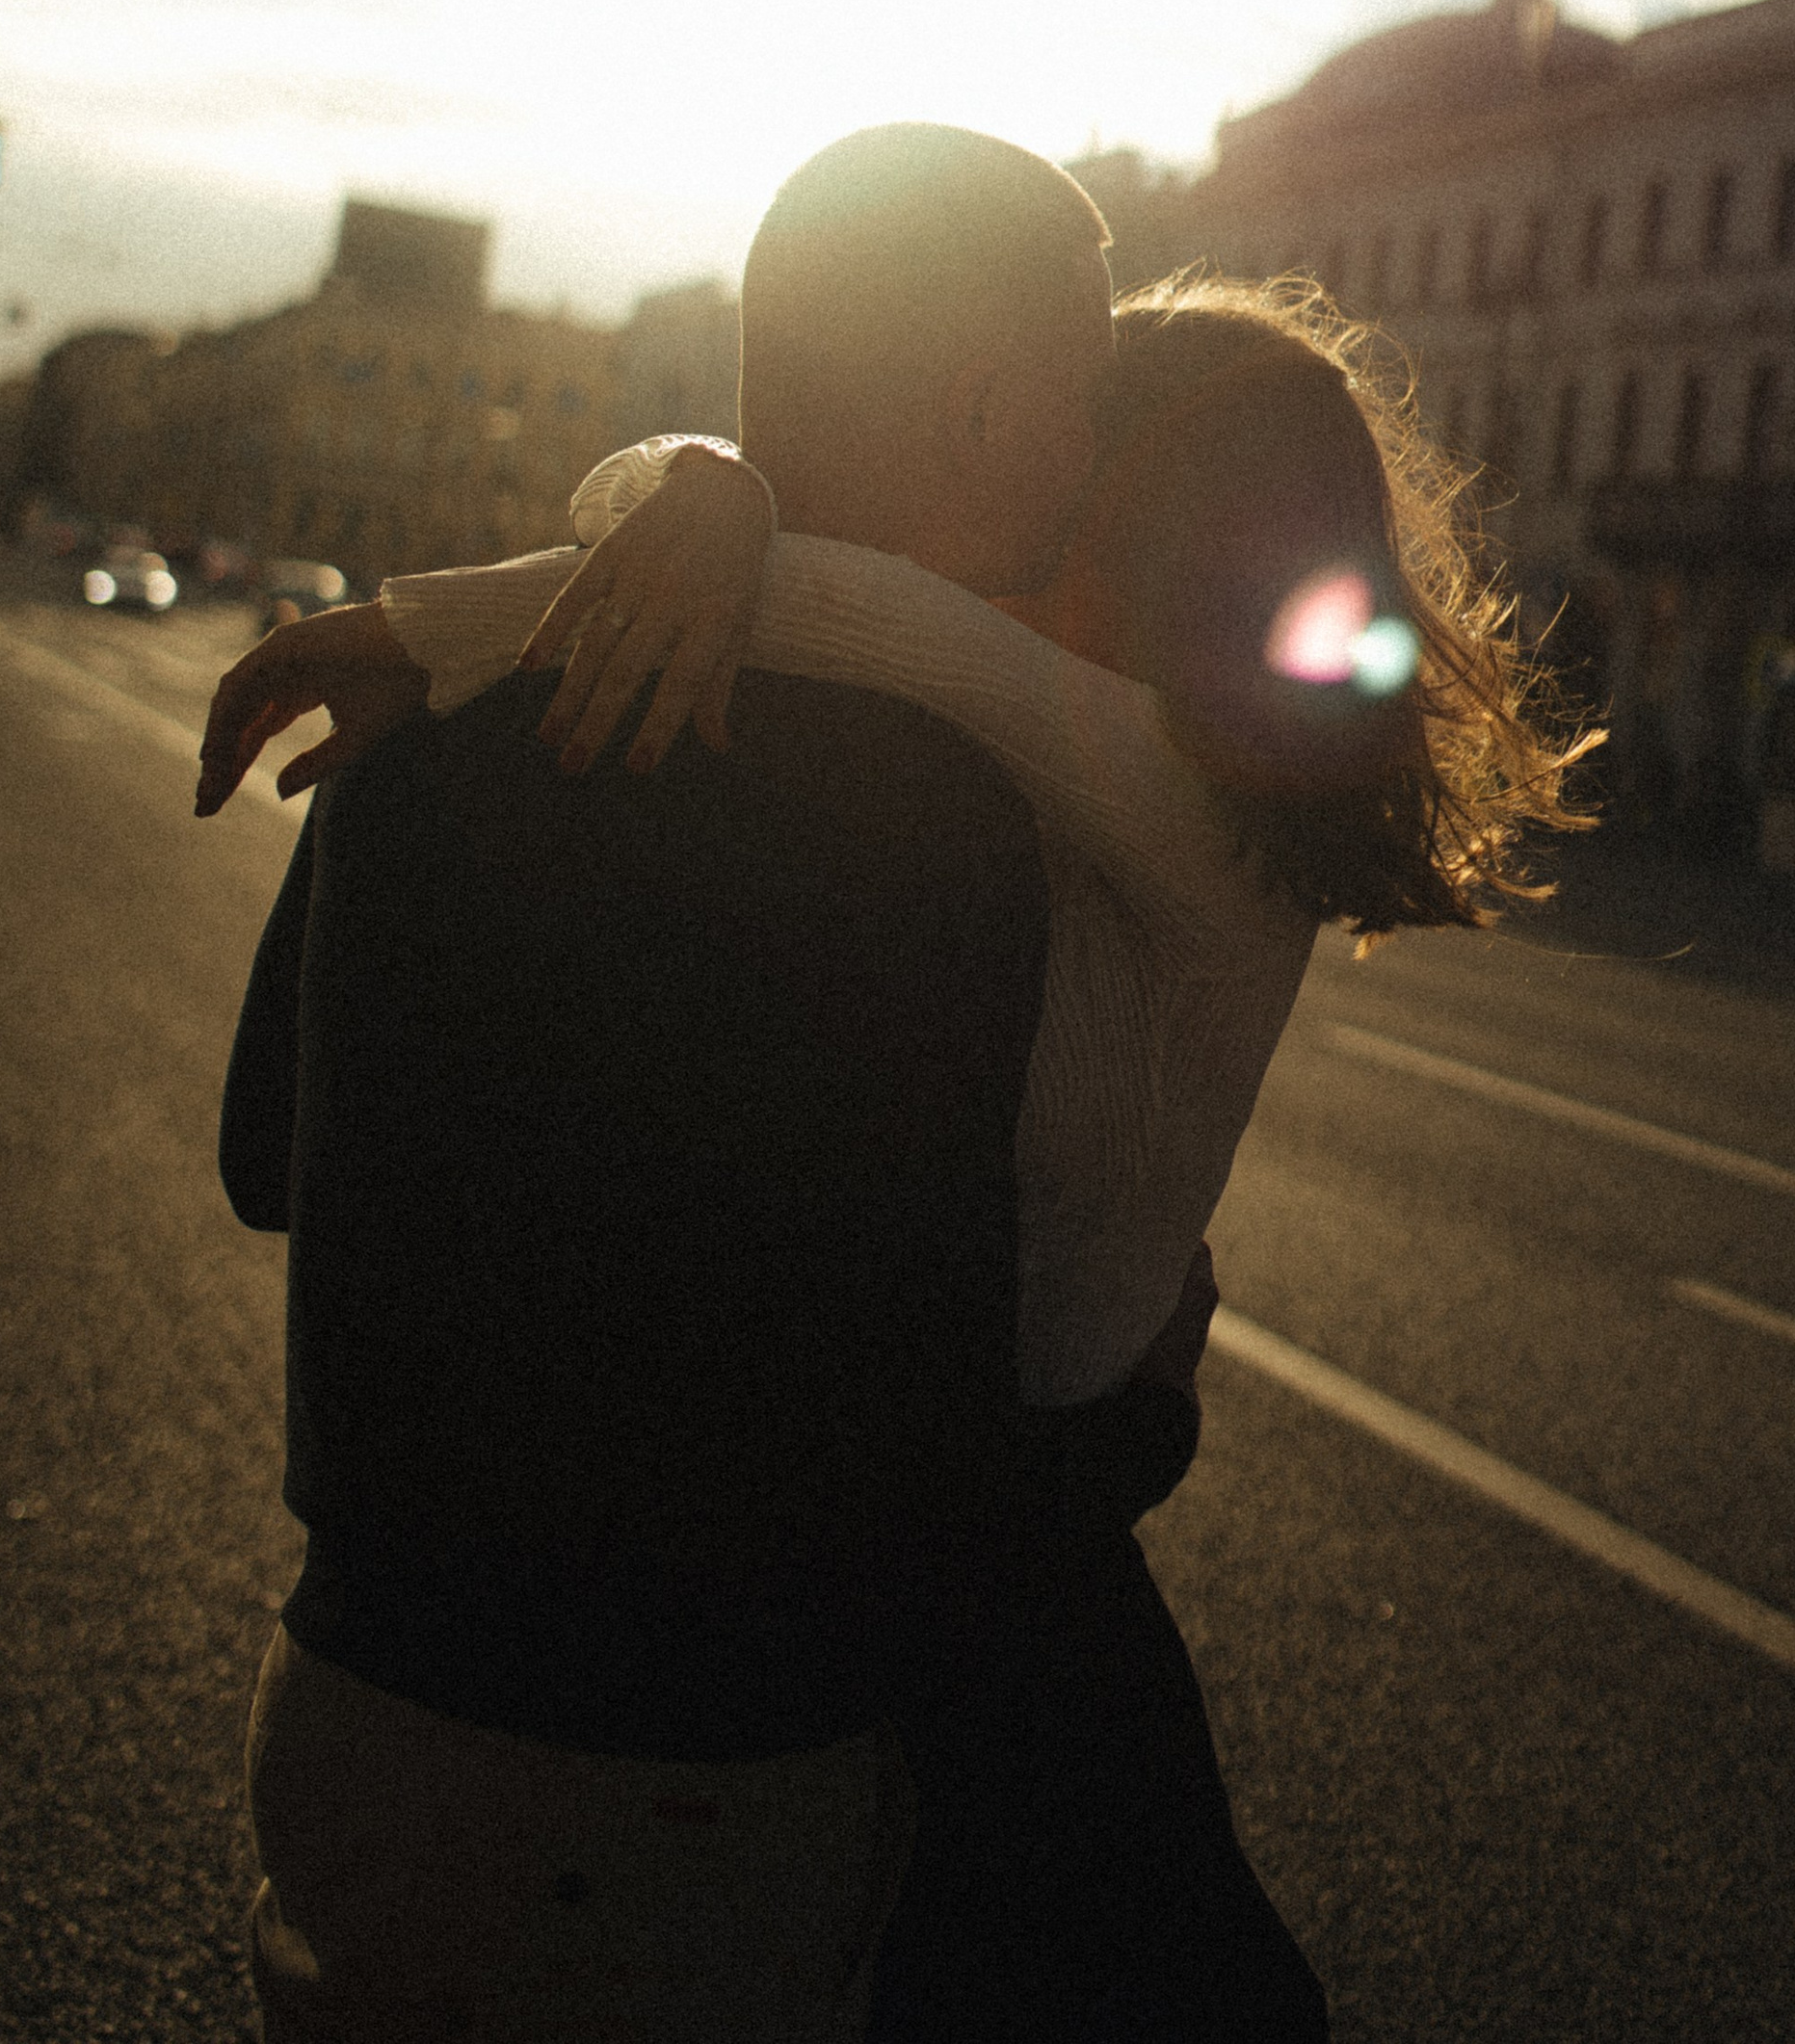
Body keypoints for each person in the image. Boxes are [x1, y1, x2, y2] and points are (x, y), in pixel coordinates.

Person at [205, 263, 1584, 2038]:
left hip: (986, 1628)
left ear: (1145, 534)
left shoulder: (1175, 806)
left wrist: (492, 602)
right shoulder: (1108, 777)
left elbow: (877, 617)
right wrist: (711, 490)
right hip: (924, 1573)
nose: (1012, 533)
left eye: (1065, 490)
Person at [214, 123, 1116, 2041]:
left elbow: (259, 1167)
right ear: (981, 401)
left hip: (375, 1700)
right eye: (1080, 407)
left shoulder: (435, 712)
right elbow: (968, 1369)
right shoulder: (954, 825)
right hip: (723, 1763)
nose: (1093, 464)